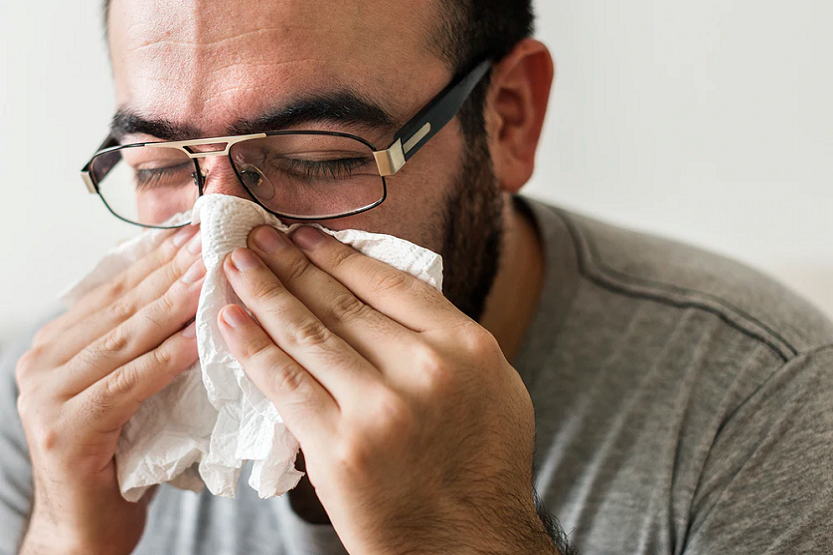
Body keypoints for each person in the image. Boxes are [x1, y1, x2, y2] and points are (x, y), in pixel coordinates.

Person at [2, 0, 831, 553]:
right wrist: (64, 533)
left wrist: (463, 533)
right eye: (157, 165)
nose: (225, 244)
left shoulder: (760, 409)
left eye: (314, 157)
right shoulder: (42, 411)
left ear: (507, 118)